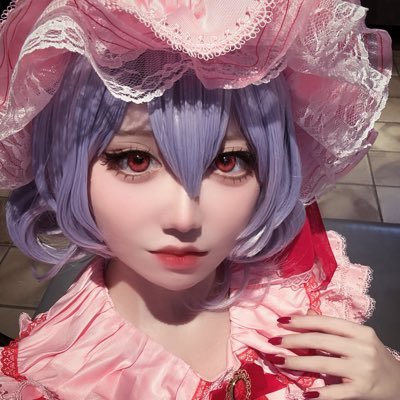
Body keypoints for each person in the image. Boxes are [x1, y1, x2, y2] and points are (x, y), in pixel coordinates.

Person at [0, 0, 398, 399]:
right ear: (66, 163)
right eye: (136, 160)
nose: (185, 218)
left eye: (228, 162)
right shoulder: (54, 379)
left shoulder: (291, 285)